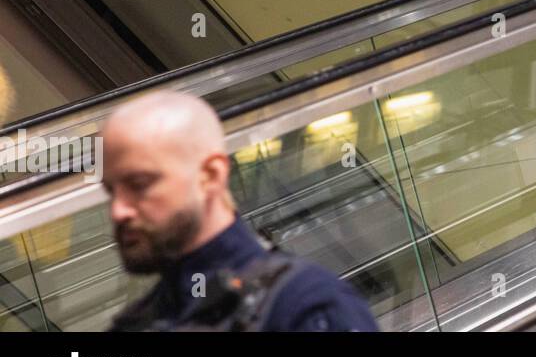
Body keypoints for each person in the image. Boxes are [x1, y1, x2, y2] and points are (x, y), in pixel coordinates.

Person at [103, 90, 377, 332]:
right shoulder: (136, 322)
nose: (118, 211)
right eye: (111, 191)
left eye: (139, 184)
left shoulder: (303, 305)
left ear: (210, 175)